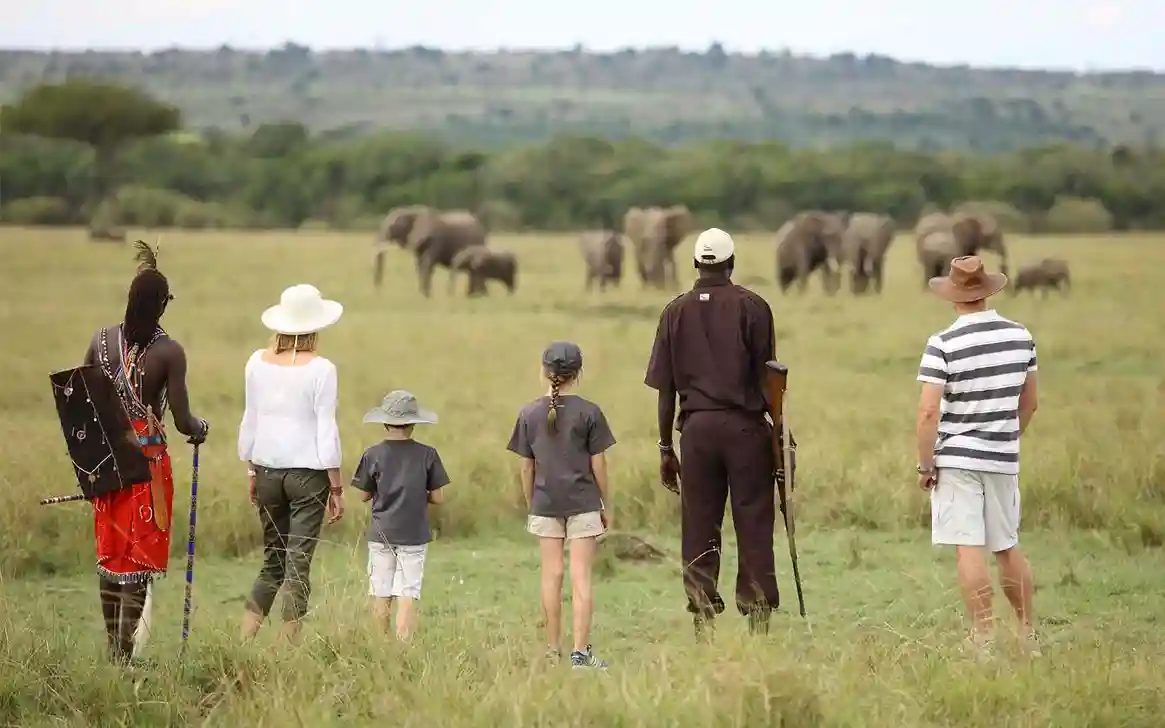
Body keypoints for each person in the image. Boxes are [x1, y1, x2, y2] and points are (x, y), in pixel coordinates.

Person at [644, 228, 781, 639]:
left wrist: (666, 446)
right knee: (754, 520)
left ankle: (702, 617)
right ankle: (758, 618)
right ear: (732, 263)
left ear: (695, 265)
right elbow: (771, 380)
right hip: (746, 429)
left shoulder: (674, 311)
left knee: (699, 523)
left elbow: (666, 389)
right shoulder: (755, 307)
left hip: (697, 432)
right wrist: (780, 436)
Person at [81, 241, 210, 665]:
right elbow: (182, 420)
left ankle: (114, 650)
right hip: (147, 464)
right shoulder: (169, 352)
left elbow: (82, 401)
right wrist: (201, 430)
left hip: (106, 460)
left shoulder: (100, 341)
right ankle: (125, 654)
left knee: (112, 556)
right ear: (161, 306)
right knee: (138, 560)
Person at [915, 255, 1040, 656]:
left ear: (953, 295)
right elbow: (1031, 403)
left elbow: (928, 412)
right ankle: (1027, 634)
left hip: (958, 457)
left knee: (968, 548)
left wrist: (926, 463)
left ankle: (983, 638)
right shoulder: (1021, 336)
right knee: (1006, 545)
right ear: (987, 291)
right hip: (1003, 456)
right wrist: (1004, 437)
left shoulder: (943, 343)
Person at [237, 284, 346, 642]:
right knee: (298, 561)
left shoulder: (256, 361)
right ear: (316, 326)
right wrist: (336, 485)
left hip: (266, 470)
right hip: (308, 476)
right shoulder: (322, 369)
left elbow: (250, 418)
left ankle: (244, 639)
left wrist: (251, 469)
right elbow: (325, 428)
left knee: (273, 559)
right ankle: (287, 648)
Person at [506, 341, 614, 669]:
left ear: (544, 371)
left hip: (545, 502)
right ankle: (580, 654)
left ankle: (553, 649)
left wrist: (531, 501)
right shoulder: (590, 412)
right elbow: (599, 465)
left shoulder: (529, 413)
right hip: (583, 502)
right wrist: (605, 504)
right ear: (577, 373)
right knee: (581, 577)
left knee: (551, 575)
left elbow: (526, 467)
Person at [351, 390, 450, 642]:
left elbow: (363, 495)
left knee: (380, 590)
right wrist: (419, 494)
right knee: (408, 591)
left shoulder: (372, 454)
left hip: (381, 532)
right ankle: (404, 646)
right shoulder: (428, 454)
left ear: (385, 422)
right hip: (414, 534)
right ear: (414, 424)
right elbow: (438, 497)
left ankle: (380, 645)